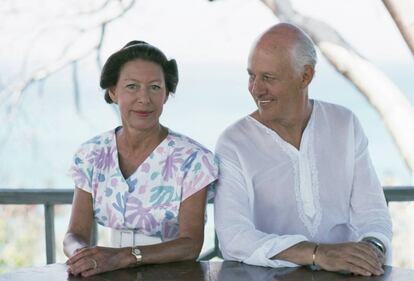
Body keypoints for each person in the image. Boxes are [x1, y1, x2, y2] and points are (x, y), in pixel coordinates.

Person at [214, 23, 392, 277]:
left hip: (347, 276)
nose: (255, 89)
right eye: (252, 76)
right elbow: (233, 237)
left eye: (268, 78)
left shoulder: (345, 124)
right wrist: (318, 253)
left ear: (305, 76)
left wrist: (369, 250)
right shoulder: (234, 142)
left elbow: (373, 213)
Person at [64, 41, 218, 277]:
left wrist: (123, 257)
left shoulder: (193, 159)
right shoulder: (91, 154)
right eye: (132, 86)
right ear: (113, 92)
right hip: (107, 273)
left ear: (166, 94)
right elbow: (74, 234)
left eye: (155, 87)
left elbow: (191, 244)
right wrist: (83, 255)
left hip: (174, 275)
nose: (144, 98)